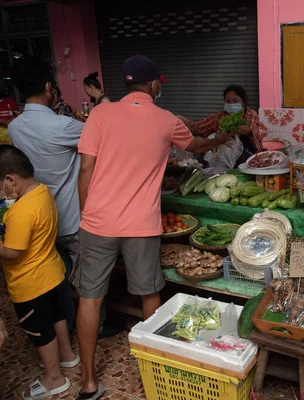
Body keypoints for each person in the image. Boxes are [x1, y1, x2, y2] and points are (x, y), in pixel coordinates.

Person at [75, 54, 232, 399]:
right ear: (154, 84)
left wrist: (88, 216)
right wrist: (222, 138)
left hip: (97, 223)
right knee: (149, 293)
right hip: (140, 225)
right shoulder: (166, 120)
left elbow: (85, 170)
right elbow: (198, 145)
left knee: (89, 298)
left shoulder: (99, 113)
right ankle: (157, 367)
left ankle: (88, 383)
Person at [8, 56, 120, 339]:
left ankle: (67, 324)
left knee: (59, 279)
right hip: (71, 217)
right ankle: (97, 328)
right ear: (49, 87)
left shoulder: (15, 128)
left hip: (40, 219)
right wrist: (99, 96)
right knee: (87, 282)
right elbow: (107, 124)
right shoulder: (63, 126)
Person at [0, 145, 79, 399]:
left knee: (40, 329)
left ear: (10, 180)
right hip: (54, 273)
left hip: (30, 284)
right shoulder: (43, 192)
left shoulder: (19, 211)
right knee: (58, 317)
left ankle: (54, 378)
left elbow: (13, 252)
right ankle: (67, 356)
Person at [181, 85, 262, 158]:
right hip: (225, 157)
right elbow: (199, 127)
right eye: (228, 101)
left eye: (235, 101)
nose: (231, 104)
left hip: (250, 156)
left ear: (243, 103)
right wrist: (186, 123)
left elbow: (248, 129)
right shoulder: (220, 116)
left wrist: (227, 127)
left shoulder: (250, 114)